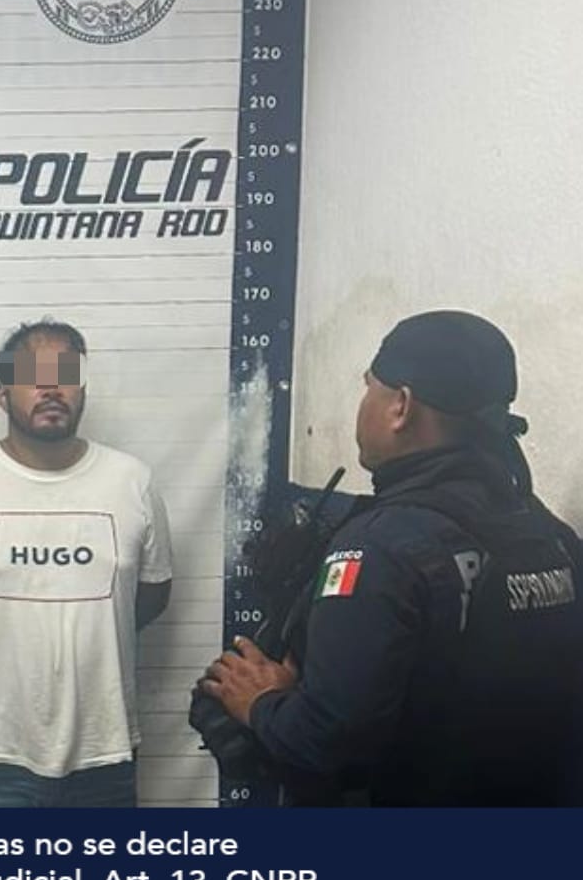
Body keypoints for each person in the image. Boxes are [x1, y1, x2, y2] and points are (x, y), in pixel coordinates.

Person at [201, 310, 583, 805]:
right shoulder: (548, 534)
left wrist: (260, 701)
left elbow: (325, 741)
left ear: (400, 406)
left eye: (369, 387)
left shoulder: (381, 548)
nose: (363, 403)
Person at [0, 320, 173, 807]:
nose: (51, 388)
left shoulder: (132, 483)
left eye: (65, 374)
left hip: (103, 749)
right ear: (2, 394)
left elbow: (150, 594)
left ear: (82, 390)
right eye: (32, 376)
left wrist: (89, 637)